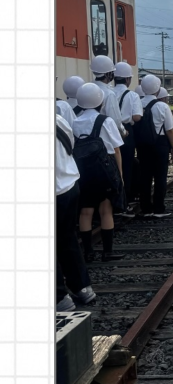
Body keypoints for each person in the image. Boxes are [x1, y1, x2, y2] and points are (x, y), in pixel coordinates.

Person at [73, 83, 125, 263]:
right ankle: (107, 252)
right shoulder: (105, 121)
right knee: (105, 210)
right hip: (104, 170)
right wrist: (120, 175)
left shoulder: (74, 121)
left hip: (82, 171)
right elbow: (116, 150)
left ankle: (88, 252)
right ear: (100, 100)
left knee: (85, 212)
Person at [55, 114, 96, 310]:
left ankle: (59, 297)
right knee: (67, 237)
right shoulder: (57, 119)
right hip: (69, 185)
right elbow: (69, 144)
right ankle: (82, 287)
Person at [136, 75, 173, 218]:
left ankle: (146, 208)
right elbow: (169, 130)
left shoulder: (137, 103)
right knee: (160, 177)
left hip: (142, 144)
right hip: (160, 144)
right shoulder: (162, 106)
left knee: (145, 177)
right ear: (158, 89)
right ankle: (159, 208)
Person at [113, 62, 143, 214]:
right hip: (126, 132)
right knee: (127, 166)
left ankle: (114, 201)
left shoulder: (109, 92)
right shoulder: (132, 95)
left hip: (109, 131)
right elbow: (137, 117)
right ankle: (127, 199)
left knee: (113, 166)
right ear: (127, 80)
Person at [90, 55, 127, 138]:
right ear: (108, 74)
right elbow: (116, 120)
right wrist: (124, 132)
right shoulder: (109, 94)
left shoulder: (88, 88)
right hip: (104, 136)